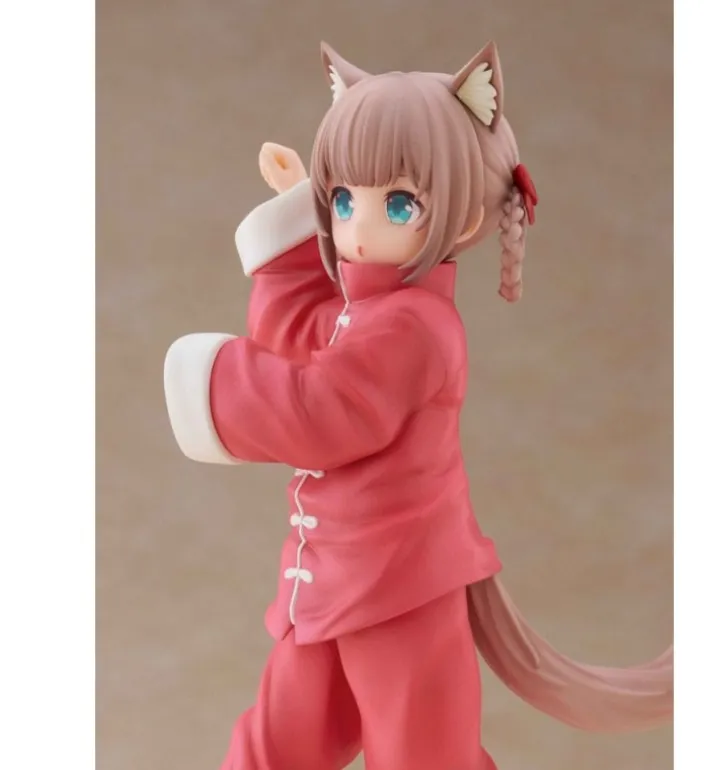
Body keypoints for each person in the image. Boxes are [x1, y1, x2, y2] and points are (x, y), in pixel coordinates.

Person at [163, 40, 673, 770]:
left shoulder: (416, 327)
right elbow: (299, 340)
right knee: (279, 745)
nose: (358, 227)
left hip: (400, 590)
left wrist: (211, 380)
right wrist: (296, 225)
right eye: (344, 201)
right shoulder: (366, 313)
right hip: (332, 583)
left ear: (461, 218)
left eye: (399, 203)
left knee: (420, 755)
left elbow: (322, 412)